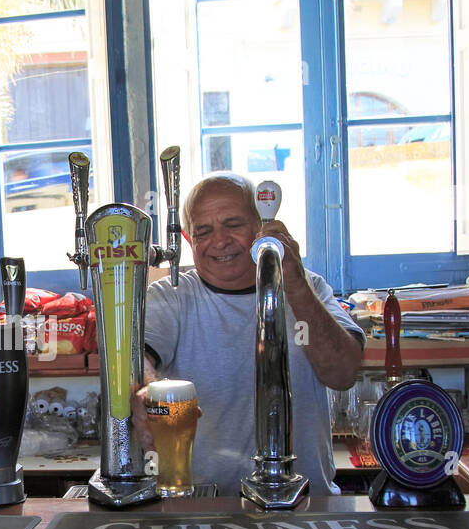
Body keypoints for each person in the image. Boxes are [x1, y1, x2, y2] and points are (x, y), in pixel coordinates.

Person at [136, 172, 364, 496]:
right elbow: (137, 356)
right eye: (204, 231)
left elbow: (342, 372)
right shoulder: (172, 296)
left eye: (233, 224)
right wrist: (147, 389)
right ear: (188, 240)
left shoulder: (308, 287)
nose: (220, 241)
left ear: (262, 224)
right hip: (205, 507)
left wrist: (295, 285)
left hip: (304, 505)